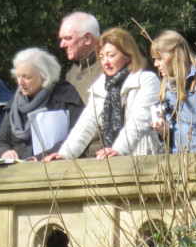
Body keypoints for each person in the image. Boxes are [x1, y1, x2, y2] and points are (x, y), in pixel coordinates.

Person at [45, 27, 162, 161]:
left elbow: (138, 122)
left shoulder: (146, 80)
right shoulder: (100, 86)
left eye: (111, 55)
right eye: (101, 57)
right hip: (112, 161)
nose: (105, 62)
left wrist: (118, 149)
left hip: (145, 162)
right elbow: (86, 123)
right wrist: (65, 154)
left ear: (128, 56)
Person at [0, 48, 84, 160]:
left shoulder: (66, 95)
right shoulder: (15, 103)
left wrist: (44, 156)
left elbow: (78, 135)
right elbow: (1, 140)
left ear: (44, 76)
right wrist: (5, 152)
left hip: (58, 167)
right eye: (18, 76)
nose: (20, 82)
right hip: (20, 171)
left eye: (27, 77)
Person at [58, 12, 101, 105]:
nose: (62, 45)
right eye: (61, 39)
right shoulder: (71, 74)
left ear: (88, 38)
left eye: (67, 38)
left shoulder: (110, 68)